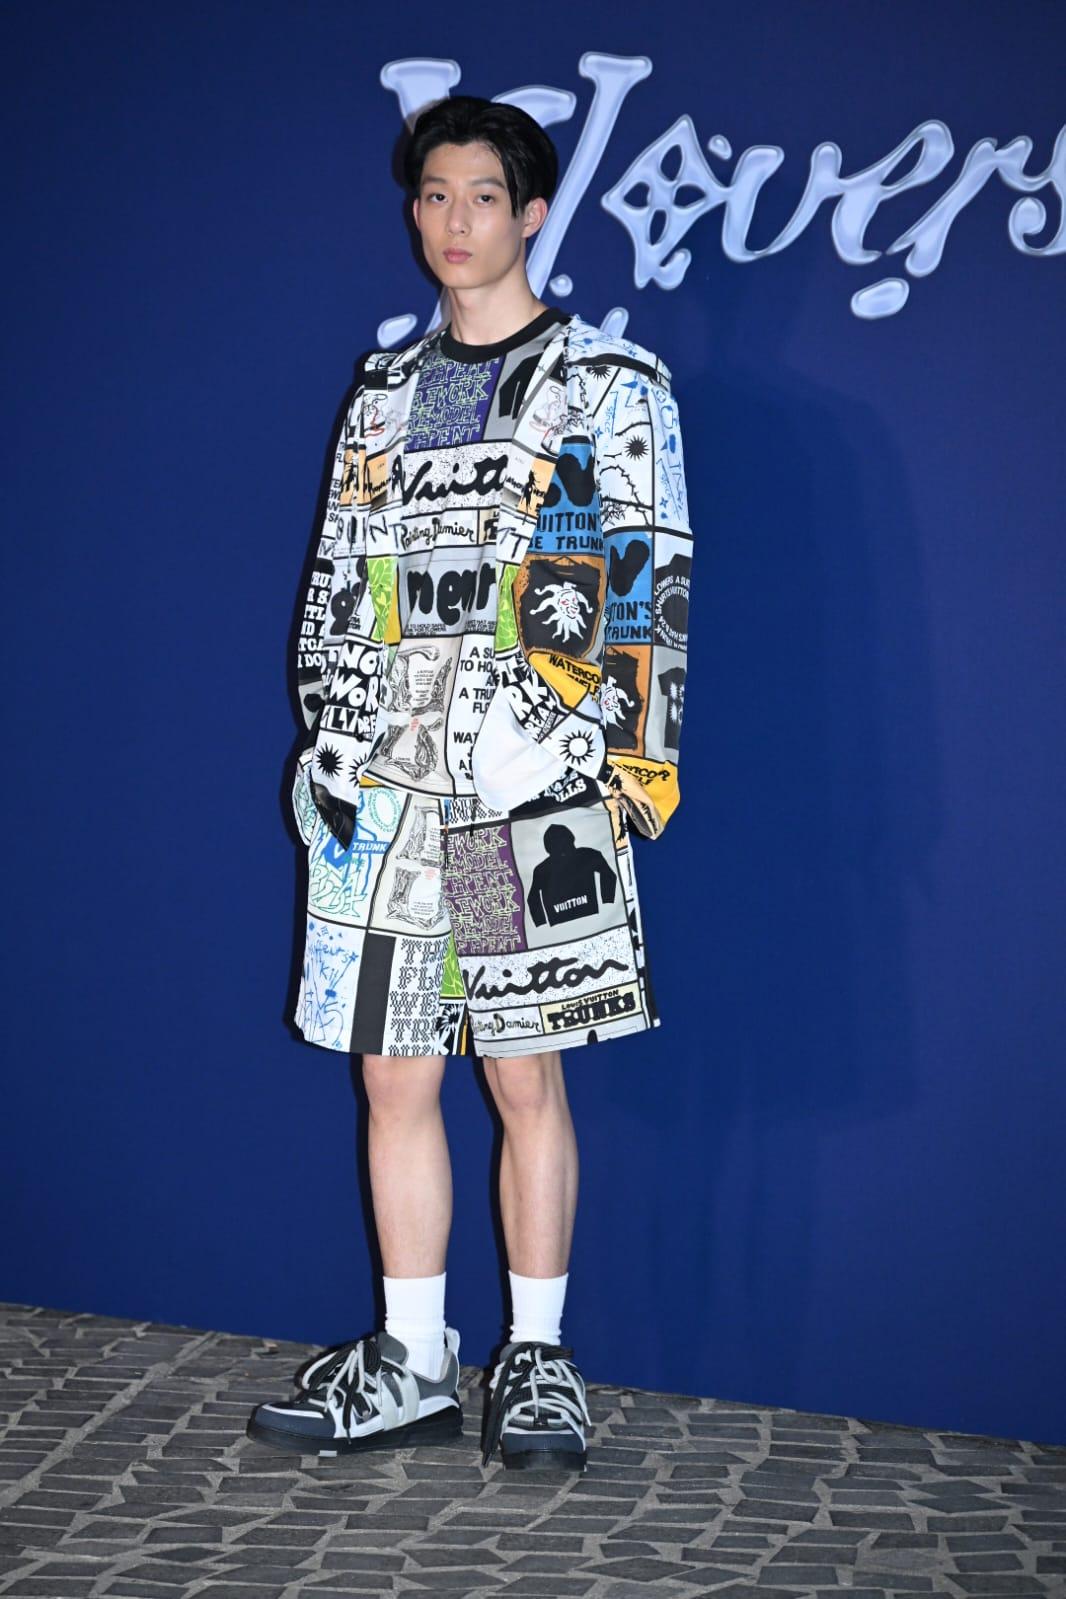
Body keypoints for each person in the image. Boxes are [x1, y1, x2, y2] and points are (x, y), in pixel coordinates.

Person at [247, 94, 692, 1472]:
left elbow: (646, 576)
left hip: (526, 790)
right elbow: (338, 576)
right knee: (392, 1074)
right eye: (433, 195)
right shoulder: (382, 392)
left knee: (519, 1073)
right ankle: (415, 1358)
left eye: (481, 197)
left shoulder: (607, 382)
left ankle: (539, 1357)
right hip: (383, 791)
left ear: (532, 212)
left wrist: (620, 767)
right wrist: (328, 734)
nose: (452, 222)